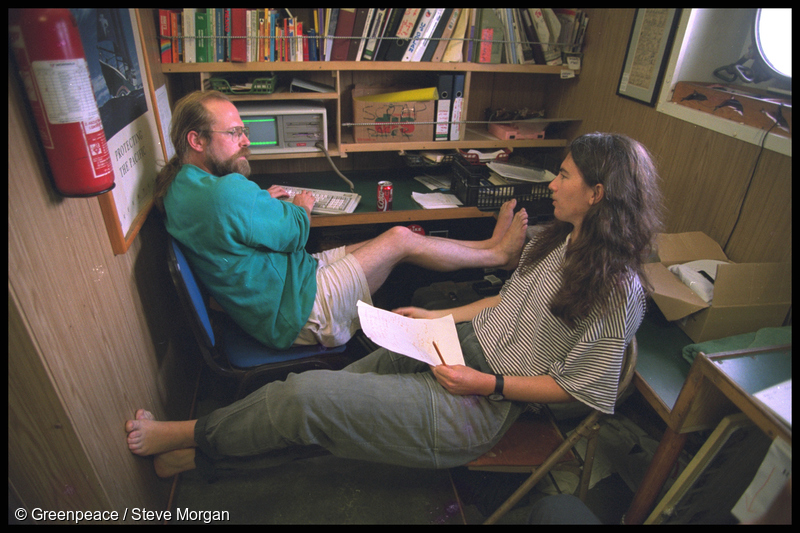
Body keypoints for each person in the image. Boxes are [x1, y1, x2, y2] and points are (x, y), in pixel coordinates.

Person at [128, 132, 664, 481]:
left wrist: (489, 385)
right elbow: (508, 301)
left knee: (311, 398)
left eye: (564, 175)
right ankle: (198, 449)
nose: (552, 181)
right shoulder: (560, 239)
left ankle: (191, 437)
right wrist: (437, 317)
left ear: (597, 194)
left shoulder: (618, 289)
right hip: (455, 346)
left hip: (480, 401)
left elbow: (578, 389)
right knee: (312, 401)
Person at [154, 90, 528, 350]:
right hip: (298, 312)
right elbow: (295, 234)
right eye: (234, 133)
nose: (245, 141)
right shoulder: (226, 192)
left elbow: (231, 224)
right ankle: (498, 257)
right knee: (400, 237)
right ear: (197, 140)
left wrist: (259, 203)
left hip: (285, 286)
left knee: (384, 242)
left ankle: (489, 246)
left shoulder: (181, 188)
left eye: (244, 131)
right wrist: (301, 206)